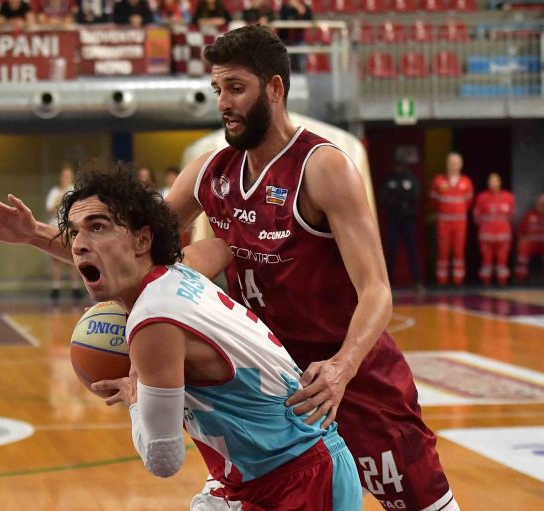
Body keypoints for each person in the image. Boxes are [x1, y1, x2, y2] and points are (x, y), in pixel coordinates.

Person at [0, 26, 459, 511]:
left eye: (236, 88)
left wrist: (342, 368)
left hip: (350, 377)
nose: (223, 102)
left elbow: (377, 291)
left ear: (275, 88)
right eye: (218, 89)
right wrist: (32, 234)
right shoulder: (209, 172)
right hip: (266, 395)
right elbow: (128, 251)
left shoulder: (323, 168)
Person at [52, 161, 366, 508]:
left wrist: (134, 397)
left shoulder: (153, 319)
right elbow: (222, 247)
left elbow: (163, 458)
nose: (78, 245)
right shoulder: (179, 272)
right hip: (270, 469)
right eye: (74, 232)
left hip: (298, 482)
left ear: (142, 240)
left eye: (97, 227)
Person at [430, 152, 473, 287]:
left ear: (461, 165)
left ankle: (458, 280)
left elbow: (468, 202)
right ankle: (442, 280)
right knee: (443, 250)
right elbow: (433, 200)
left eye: (456, 163)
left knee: (458, 250)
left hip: (460, 222)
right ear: (447, 164)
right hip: (444, 222)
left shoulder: (466, 182)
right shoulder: (438, 181)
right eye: (451, 163)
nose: (453, 165)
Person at [378, 156, 421, 288]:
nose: (398, 168)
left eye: (401, 165)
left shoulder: (411, 179)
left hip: (408, 219)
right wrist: (400, 201)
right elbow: (383, 197)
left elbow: (415, 196)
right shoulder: (390, 180)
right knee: (392, 250)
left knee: (412, 250)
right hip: (393, 219)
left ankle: (417, 281)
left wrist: (399, 199)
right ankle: (389, 282)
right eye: (397, 165)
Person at [45, 163, 83, 302]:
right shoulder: (55, 192)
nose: (66, 178)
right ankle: (56, 287)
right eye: (64, 176)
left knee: (72, 258)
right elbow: (51, 209)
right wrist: (62, 193)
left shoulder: (74, 191)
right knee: (55, 258)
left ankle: (75, 287)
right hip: (55, 227)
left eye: (68, 176)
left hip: (70, 227)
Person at [472, 173, 515, 287]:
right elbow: (476, 216)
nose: (493, 183)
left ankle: (502, 281)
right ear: (488, 183)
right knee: (487, 260)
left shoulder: (508, 197)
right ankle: (486, 281)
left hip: (503, 235)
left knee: (502, 259)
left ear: (500, 182)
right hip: (486, 235)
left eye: (496, 181)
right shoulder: (482, 197)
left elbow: (511, 215)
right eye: (491, 181)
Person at [515, 192, 544, 283]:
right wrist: (522, 239)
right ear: (536, 203)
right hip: (531, 242)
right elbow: (520, 231)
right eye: (540, 203)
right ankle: (521, 276)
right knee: (523, 248)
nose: (542, 206)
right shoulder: (529, 215)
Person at [278, 0, 312, 72]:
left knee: (302, 50)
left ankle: (302, 74)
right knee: (284, 61)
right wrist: (291, 7)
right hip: (286, 39)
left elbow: (310, 19)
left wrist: (300, 9)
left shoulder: (303, 6)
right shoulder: (285, 7)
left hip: (299, 39)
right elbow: (283, 19)